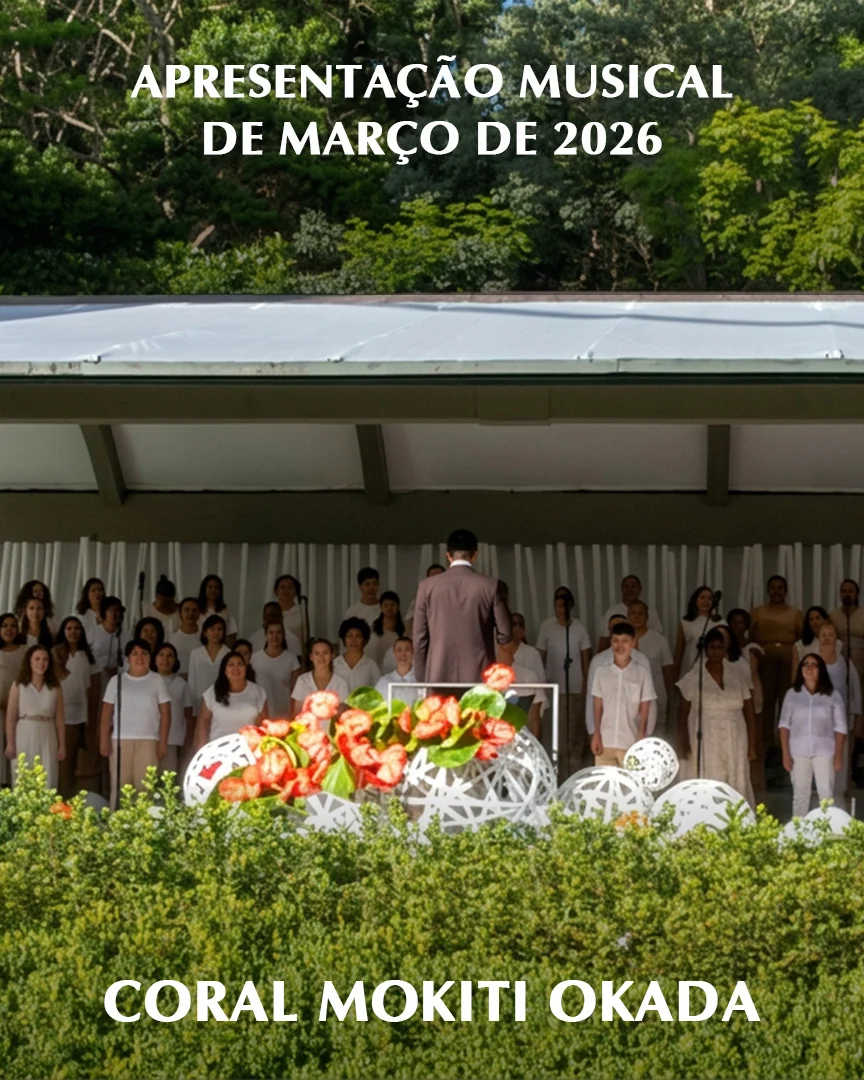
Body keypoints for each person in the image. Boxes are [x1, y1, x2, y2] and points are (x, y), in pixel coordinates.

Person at [413, 529, 512, 687]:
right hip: (479, 674)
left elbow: (419, 638)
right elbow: (505, 633)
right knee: (477, 705)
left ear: (448, 556)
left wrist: (422, 679)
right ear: (475, 555)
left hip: (438, 675)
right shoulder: (491, 585)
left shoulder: (426, 587)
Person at [676, 627, 757, 805]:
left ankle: (735, 815)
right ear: (706, 650)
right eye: (712, 647)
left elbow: (750, 712)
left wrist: (752, 744)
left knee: (735, 775)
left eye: (720, 647)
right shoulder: (694, 676)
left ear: (725, 649)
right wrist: (683, 741)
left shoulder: (737, 674)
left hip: (735, 734)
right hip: (706, 736)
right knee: (709, 776)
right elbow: (682, 714)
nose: (716, 651)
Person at [100, 639, 171, 807]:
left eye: (144, 653)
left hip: (149, 740)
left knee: (145, 788)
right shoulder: (116, 681)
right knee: (120, 786)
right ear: (128, 658)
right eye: (135, 653)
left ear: (150, 657)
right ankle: (118, 820)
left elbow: (166, 714)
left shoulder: (157, 680)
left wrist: (163, 742)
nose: (140, 657)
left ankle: (143, 821)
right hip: (120, 740)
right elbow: (106, 714)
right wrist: (104, 739)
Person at [779, 654, 846, 819]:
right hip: (798, 752)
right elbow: (784, 725)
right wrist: (785, 753)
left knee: (826, 795)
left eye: (813, 664)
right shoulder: (792, 694)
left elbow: (840, 727)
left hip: (825, 752)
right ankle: (798, 831)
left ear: (821, 669)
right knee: (800, 796)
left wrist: (838, 755)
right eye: (805, 664)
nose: (809, 667)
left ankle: (826, 831)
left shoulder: (832, 695)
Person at [536, 586, 592, 775]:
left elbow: (586, 659)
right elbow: (540, 657)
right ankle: (557, 772)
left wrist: (585, 686)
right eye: (558, 605)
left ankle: (575, 771)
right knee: (558, 733)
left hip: (575, 688)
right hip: (553, 689)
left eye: (564, 605)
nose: (561, 609)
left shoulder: (579, 628)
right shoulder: (547, 626)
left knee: (575, 731)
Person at [750, 575, 804, 757]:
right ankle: (764, 749)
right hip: (764, 663)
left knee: (787, 704)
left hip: (789, 663)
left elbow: (802, 639)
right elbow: (750, 638)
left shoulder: (795, 614)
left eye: (780, 587)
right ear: (768, 590)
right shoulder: (757, 612)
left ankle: (786, 751)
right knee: (764, 706)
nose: (776, 591)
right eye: (773, 587)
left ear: (785, 591)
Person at [591, 623, 655, 767]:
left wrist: (641, 735)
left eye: (625, 641)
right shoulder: (601, 672)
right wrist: (596, 733)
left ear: (633, 643)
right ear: (611, 642)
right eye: (616, 641)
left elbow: (645, 707)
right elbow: (597, 705)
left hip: (631, 742)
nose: (620, 646)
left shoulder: (641, 673)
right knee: (606, 780)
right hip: (605, 742)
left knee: (631, 779)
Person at [5, 645, 65, 790]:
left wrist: (62, 744)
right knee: (24, 774)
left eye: (45, 659)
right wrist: (10, 743)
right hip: (24, 733)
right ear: (29, 662)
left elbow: (60, 718)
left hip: (47, 734)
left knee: (47, 775)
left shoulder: (55, 687)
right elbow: (11, 717)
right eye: (37, 659)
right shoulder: (18, 685)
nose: (41, 663)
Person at [52, 616, 100, 798]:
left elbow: (92, 688)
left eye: (77, 628)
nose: (73, 632)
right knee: (62, 760)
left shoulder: (87, 655)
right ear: (63, 631)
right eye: (69, 628)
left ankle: (70, 798)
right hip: (60, 713)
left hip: (80, 714)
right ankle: (60, 797)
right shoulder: (56, 653)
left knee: (73, 760)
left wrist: (91, 717)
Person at [814, 622, 861, 804]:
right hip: (817, 723)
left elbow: (855, 690)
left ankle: (839, 801)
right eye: (823, 635)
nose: (826, 638)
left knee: (840, 760)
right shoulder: (812, 663)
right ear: (818, 639)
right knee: (821, 761)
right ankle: (822, 799)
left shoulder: (844, 663)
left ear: (836, 639)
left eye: (830, 635)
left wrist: (856, 717)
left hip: (840, 721)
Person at [196, 651, 267, 747]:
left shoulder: (258, 691)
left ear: (246, 668)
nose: (236, 668)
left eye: (240, 664)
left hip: (248, 748)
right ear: (224, 670)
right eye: (231, 665)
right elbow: (203, 724)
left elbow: (263, 725)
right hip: (217, 748)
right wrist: (201, 749)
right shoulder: (212, 692)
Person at [628, 600, 674, 733]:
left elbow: (668, 670)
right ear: (627, 617)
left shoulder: (660, 640)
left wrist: (668, 696)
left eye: (640, 613)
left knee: (656, 736)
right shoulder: (622, 642)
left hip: (656, 695)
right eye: (633, 613)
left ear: (647, 617)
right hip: (629, 699)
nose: (637, 616)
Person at [153, 643, 193, 777]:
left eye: (170, 656)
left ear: (175, 660)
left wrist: (187, 742)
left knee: (168, 780)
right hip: (149, 739)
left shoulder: (181, 684)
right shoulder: (148, 680)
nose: (165, 659)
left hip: (172, 740)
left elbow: (188, 715)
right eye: (161, 655)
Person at [496, 638, 546, 740]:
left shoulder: (529, 676)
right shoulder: (487, 675)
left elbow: (534, 716)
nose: (500, 654)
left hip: (521, 735)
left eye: (504, 651)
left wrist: (535, 744)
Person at [673, 586, 725, 682]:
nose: (706, 601)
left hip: (713, 672)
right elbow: (679, 651)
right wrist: (675, 675)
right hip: (690, 669)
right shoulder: (686, 623)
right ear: (695, 600)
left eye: (709, 598)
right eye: (702, 597)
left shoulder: (720, 623)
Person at [598, 575, 663, 650]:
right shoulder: (612, 611)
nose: (630, 590)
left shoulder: (650, 611)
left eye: (633, 586)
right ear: (622, 589)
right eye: (626, 587)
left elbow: (658, 637)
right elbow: (604, 640)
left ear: (640, 589)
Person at [291, 639, 349, 723]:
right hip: (309, 730)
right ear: (311, 657)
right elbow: (297, 713)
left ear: (332, 655)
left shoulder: (341, 683)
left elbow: (343, 714)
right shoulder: (303, 680)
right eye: (317, 653)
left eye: (325, 653)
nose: (321, 657)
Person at [251, 620, 299, 717]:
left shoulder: (291, 658)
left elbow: (295, 689)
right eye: (271, 632)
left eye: (279, 632)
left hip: (284, 709)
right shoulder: (255, 658)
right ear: (266, 635)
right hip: (261, 709)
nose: (275, 636)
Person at [0, 613, 26, 787]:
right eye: (5, 626)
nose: (9, 629)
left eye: (13, 626)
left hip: (19, 709)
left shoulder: (24, 651)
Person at [188, 615, 230, 717]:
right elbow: (192, 682)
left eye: (219, 629)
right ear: (205, 632)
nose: (216, 633)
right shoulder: (196, 654)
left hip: (222, 698)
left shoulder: (228, 653)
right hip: (200, 699)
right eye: (212, 629)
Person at [333, 617, 382, 694]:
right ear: (344, 639)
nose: (354, 640)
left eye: (358, 636)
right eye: (349, 636)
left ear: (365, 640)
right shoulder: (334, 664)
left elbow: (379, 692)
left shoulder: (371, 666)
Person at [830, 580, 864, 682]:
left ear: (857, 594)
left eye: (850, 591)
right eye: (843, 591)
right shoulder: (833, 616)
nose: (847, 594)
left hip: (861, 665)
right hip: (840, 666)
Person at [375, 637, 420, 707]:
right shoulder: (383, 681)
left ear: (413, 653)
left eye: (407, 650)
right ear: (394, 653)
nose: (403, 654)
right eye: (399, 650)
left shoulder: (420, 680)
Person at [90, 597, 128, 679]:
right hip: (96, 676)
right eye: (110, 610)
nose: (114, 614)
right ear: (104, 612)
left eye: (117, 610)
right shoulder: (93, 632)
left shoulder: (125, 634)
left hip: (118, 676)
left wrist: (118, 668)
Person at [405, 564, 446, 636]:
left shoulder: (453, 597)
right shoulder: (419, 598)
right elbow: (409, 622)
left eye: (439, 577)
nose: (436, 581)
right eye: (432, 578)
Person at [367, 591, 404, 671]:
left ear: (398, 606)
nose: (389, 608)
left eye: (392, 605)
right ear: (381, 607)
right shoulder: (372, 629)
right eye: (386, 605)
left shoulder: (403, 632)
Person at [197, 575, 237, 644]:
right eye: (210, 587)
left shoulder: (224, 610)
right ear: (204, 589)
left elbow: (232, 632)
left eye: (216, 588)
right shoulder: (196, 609)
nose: (213, 590)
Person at [169, 597, 202, 677]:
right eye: (187, 610)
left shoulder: (206, 637)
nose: (190, 613)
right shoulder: (171, 638)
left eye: (194, 610)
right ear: (180, 613)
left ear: (199, 614)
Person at [274, 574, 306, 651]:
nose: (286, 591)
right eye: (282, 587)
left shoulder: (302, 612)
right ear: (276, 591)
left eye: (290, 587)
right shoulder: (271, 611)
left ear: (296, 592)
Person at [75, 577, 106, 645]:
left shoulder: (109, 613)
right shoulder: (80, 615)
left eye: (100, 590)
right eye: (93, 590)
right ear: (87, 594)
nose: (97, 593)